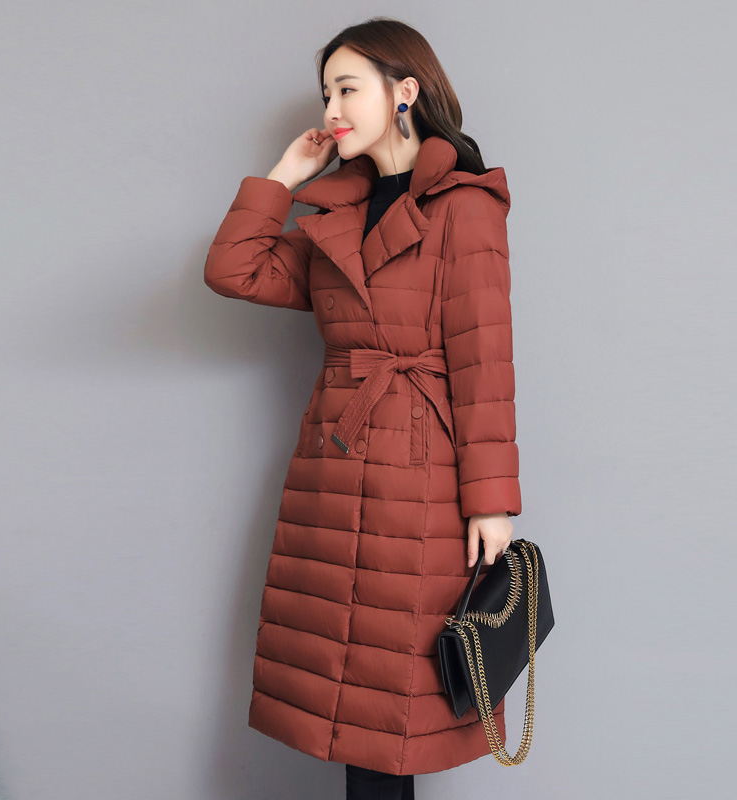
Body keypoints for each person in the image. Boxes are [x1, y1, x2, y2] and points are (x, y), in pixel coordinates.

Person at [204, 17, 521, 800]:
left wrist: (491, 504)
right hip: (332, 465)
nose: (332, 109)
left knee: (393, 702)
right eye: (326, 93)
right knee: (346, 694)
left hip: (418, 480)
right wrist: (285, 174)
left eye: (348, 88)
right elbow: (234, 270)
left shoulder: (464, 205)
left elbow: (484, 359)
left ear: (405, 91)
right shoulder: (332, 214)